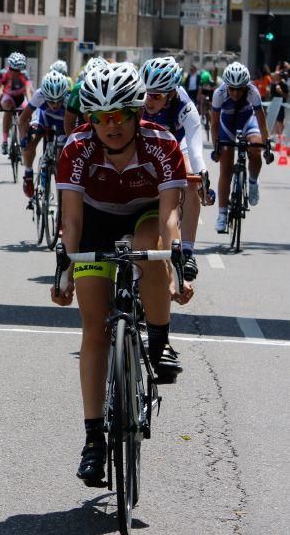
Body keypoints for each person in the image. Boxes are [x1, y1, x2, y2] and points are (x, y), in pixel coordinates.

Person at [51, 62, 193, 487]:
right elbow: (71, 221)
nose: (109, 126)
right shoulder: (76, 149)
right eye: (99, 117)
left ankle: (160, 341)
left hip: (146, 214)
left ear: (136, 112)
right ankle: (94, 439)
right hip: (95, 219)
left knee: (149, 249)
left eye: (118, 116)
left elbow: (170, 215)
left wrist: (172, 264)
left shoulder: (162, 144)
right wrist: (65, 270)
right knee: (94, 327)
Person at [139, 56, 208, 281]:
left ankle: (187, 250)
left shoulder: (185, 106)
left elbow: (196, 150)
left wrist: (202, 179)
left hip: (177, 143)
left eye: (157, 95)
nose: (149, 100)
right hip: (145, 141)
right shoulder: (137, 99)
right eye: (146, 92)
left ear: (171, 93)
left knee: (190, 180)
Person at [210, 62, 271, 232]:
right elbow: (214, 123)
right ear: (226, 86)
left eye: (240, 89)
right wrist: (217, 147)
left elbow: (261, 121)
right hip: (226, 124)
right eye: (232, 89)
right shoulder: (219, 93)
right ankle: (222, 214)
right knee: (226, 167)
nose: (236, 93)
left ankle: (252, 182)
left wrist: (266, 145)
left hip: (247, 120)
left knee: (255, 146)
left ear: (246, 86)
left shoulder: (253, 92)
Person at [17, 70, 70, 198]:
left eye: (58, 101)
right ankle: (28, 174)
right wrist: (24, 139)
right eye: (51, 101)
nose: (55, 105)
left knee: (61, 158)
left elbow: (73, 124)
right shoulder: (39, 95)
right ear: (45, 95)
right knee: (30, 143)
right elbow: (23, 119)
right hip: (43, 119)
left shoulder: (69, 99)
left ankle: (61, 190)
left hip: (63, 123)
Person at [0, 52, 32, 154]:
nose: (14, 72)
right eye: (12, 69)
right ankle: (5, 142)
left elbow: (28, 91)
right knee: (9, 109)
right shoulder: (4, 73)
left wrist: (31, 107)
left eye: (17, 70)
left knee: (25, 114)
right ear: (9, 67)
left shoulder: (25, 75)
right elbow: (1, 91)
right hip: (8, 96)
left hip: (20, 97)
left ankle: (23, 139)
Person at [63, 57, 109, 135]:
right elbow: (69, 123)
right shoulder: (78, 89)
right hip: (86, 128)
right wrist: (72, 143)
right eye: (93, 82)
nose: (97, 86)